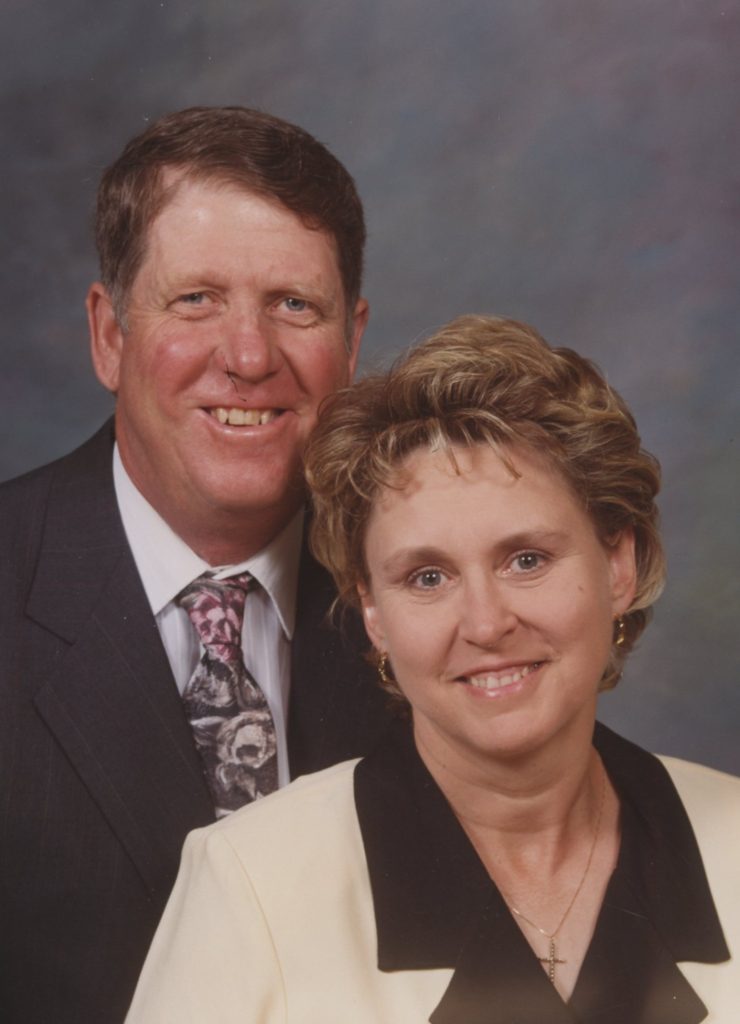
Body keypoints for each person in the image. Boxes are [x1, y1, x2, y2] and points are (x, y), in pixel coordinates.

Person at [126, 315, 739, 1023]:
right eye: (427, 577)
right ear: (374, 611)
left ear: (619, 567)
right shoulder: (251, 886)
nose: (485, 623)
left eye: (527, 560)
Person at [0, 106, 394, 1024]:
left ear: (351, 343)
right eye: (196, 300)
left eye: (294, 305)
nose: (249, 356)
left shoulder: (426, 596)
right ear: (109, 335)